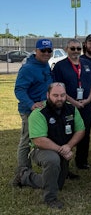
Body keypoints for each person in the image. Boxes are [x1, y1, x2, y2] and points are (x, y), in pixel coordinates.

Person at [17, 82, 85, 209]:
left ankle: (24, 176)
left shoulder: (71, 109)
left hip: (62, 149)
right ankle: (50, 198)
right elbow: (39, 140)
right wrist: (62, 150)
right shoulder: (39, 113)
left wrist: (68, 146)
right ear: (48, 95)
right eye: (55, 95)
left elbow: (80, 130)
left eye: (62, 95)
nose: (59, 98)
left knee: (57, 183)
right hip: (41, 150)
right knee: (52, 160)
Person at [13, 39, 53, 185]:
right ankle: (22, 172)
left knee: (42, 137)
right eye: (43, 50)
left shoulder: (45, 65)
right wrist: (31, 105)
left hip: (45, 109)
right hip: (30, 111)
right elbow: (19, 90)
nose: (46, 53)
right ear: (36, 51)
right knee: (27, 140)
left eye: (49, 51)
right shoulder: (28, 68)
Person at [52, 39, 91, 170]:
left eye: (78, 48)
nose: (75, 51)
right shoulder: (60, 66)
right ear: (67, 49)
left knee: (84, 132)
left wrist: (88, 99)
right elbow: (57, 88)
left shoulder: (87, 64)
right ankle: (63, 163)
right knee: (65, 133)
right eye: (72, 48)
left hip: (86, 105)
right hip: (67, 105)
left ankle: (82, 161)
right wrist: (73, 101)